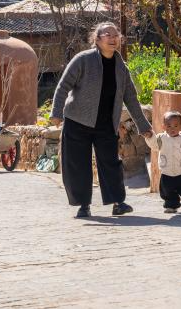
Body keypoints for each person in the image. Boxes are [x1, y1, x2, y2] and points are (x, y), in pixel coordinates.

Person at [49, 22, 152, 218]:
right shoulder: (83, 60)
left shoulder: (121, 68)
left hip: (105, 124)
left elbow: (131, 98)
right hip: (77, 121)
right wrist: (56, 112)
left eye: (116, 35)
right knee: (78, 164)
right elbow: (63, 86)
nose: (113, 38)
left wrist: (143, 125)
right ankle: (83, 205)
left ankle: (118, 203)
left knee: (111, 163)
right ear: (97, 40)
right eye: (107, 34)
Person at [144, 110, 181, 213]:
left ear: (180, 125)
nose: (172, 129)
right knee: (168, 191)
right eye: (169, 126)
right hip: (167, 172)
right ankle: (171, 206)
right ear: (164, 126)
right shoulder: (161, 138)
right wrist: (150, 137)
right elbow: (154, 146)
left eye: (175, 126)